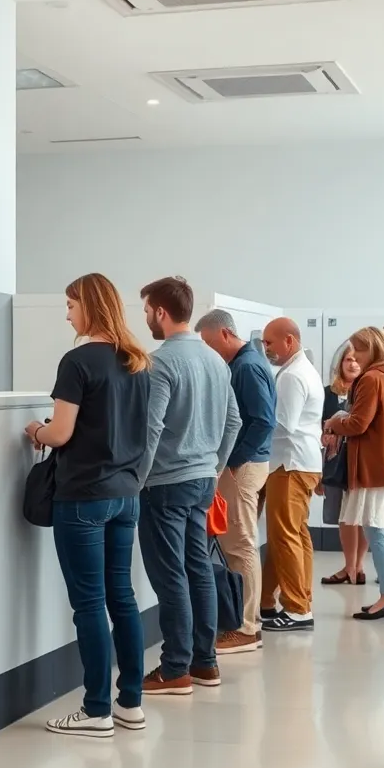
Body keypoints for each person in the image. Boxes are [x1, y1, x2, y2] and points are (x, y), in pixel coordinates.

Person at [24, 273, 151, 737]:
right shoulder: (137, 362)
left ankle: (96, 709)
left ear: (90, 307)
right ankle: (130, 704)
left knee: (89, 604)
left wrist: (36, 432)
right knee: (123, 597)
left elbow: (60, 433)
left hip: (82, 498)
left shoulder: (77, 362)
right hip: (125, 496)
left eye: (71, 304)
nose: (67, 313)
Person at [137, 277, 241, 694]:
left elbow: (150, 427)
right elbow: (233, 421)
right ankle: (205, 662)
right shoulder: (216, 360)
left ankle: (175, 667)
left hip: (164, 483)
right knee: (197, 568)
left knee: (170, 576)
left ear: (161, 312)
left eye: (146, 310)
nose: (145, 317)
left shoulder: (160, 362)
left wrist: (136, 481)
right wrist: (214, 466)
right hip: (200, 481)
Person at [194, 309, 276, 654]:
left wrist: (233, 460)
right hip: (245, 464)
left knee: (240, 543)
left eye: (211, 344)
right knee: (236, 542)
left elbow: (262, 421)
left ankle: (246, 627)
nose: (210, 352)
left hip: (243, 467)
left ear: (226, 334)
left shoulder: (246, 367)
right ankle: (243, 622)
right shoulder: (247, 363)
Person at [325, 327, 384, 620]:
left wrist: (334, 422)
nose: (356, 358)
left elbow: (359, 424)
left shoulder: (372, 378)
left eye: (360, 351)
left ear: (372, 348)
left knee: (376, 531)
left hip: (372, 466)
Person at [259, 317, 324, 632]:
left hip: (289, 463)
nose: (266, 349)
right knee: (296, 534)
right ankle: (280, 601)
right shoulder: (305, 370)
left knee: (284, 535)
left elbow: (283, 423)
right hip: (305, 462)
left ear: (289, 340)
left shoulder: (291, 376)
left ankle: (298, 609)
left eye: (270, 343)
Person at [318, 348, 368, 586]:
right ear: (340, 364)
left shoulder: (367, 390)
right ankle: (349, 566)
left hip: (361, 460)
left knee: (360, 514)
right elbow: (319, 428)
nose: (353, 364)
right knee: (343, 515)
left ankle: (358, 567)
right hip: (335, 461)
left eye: (357, 360)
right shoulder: (327, 393)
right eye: (348, 359)